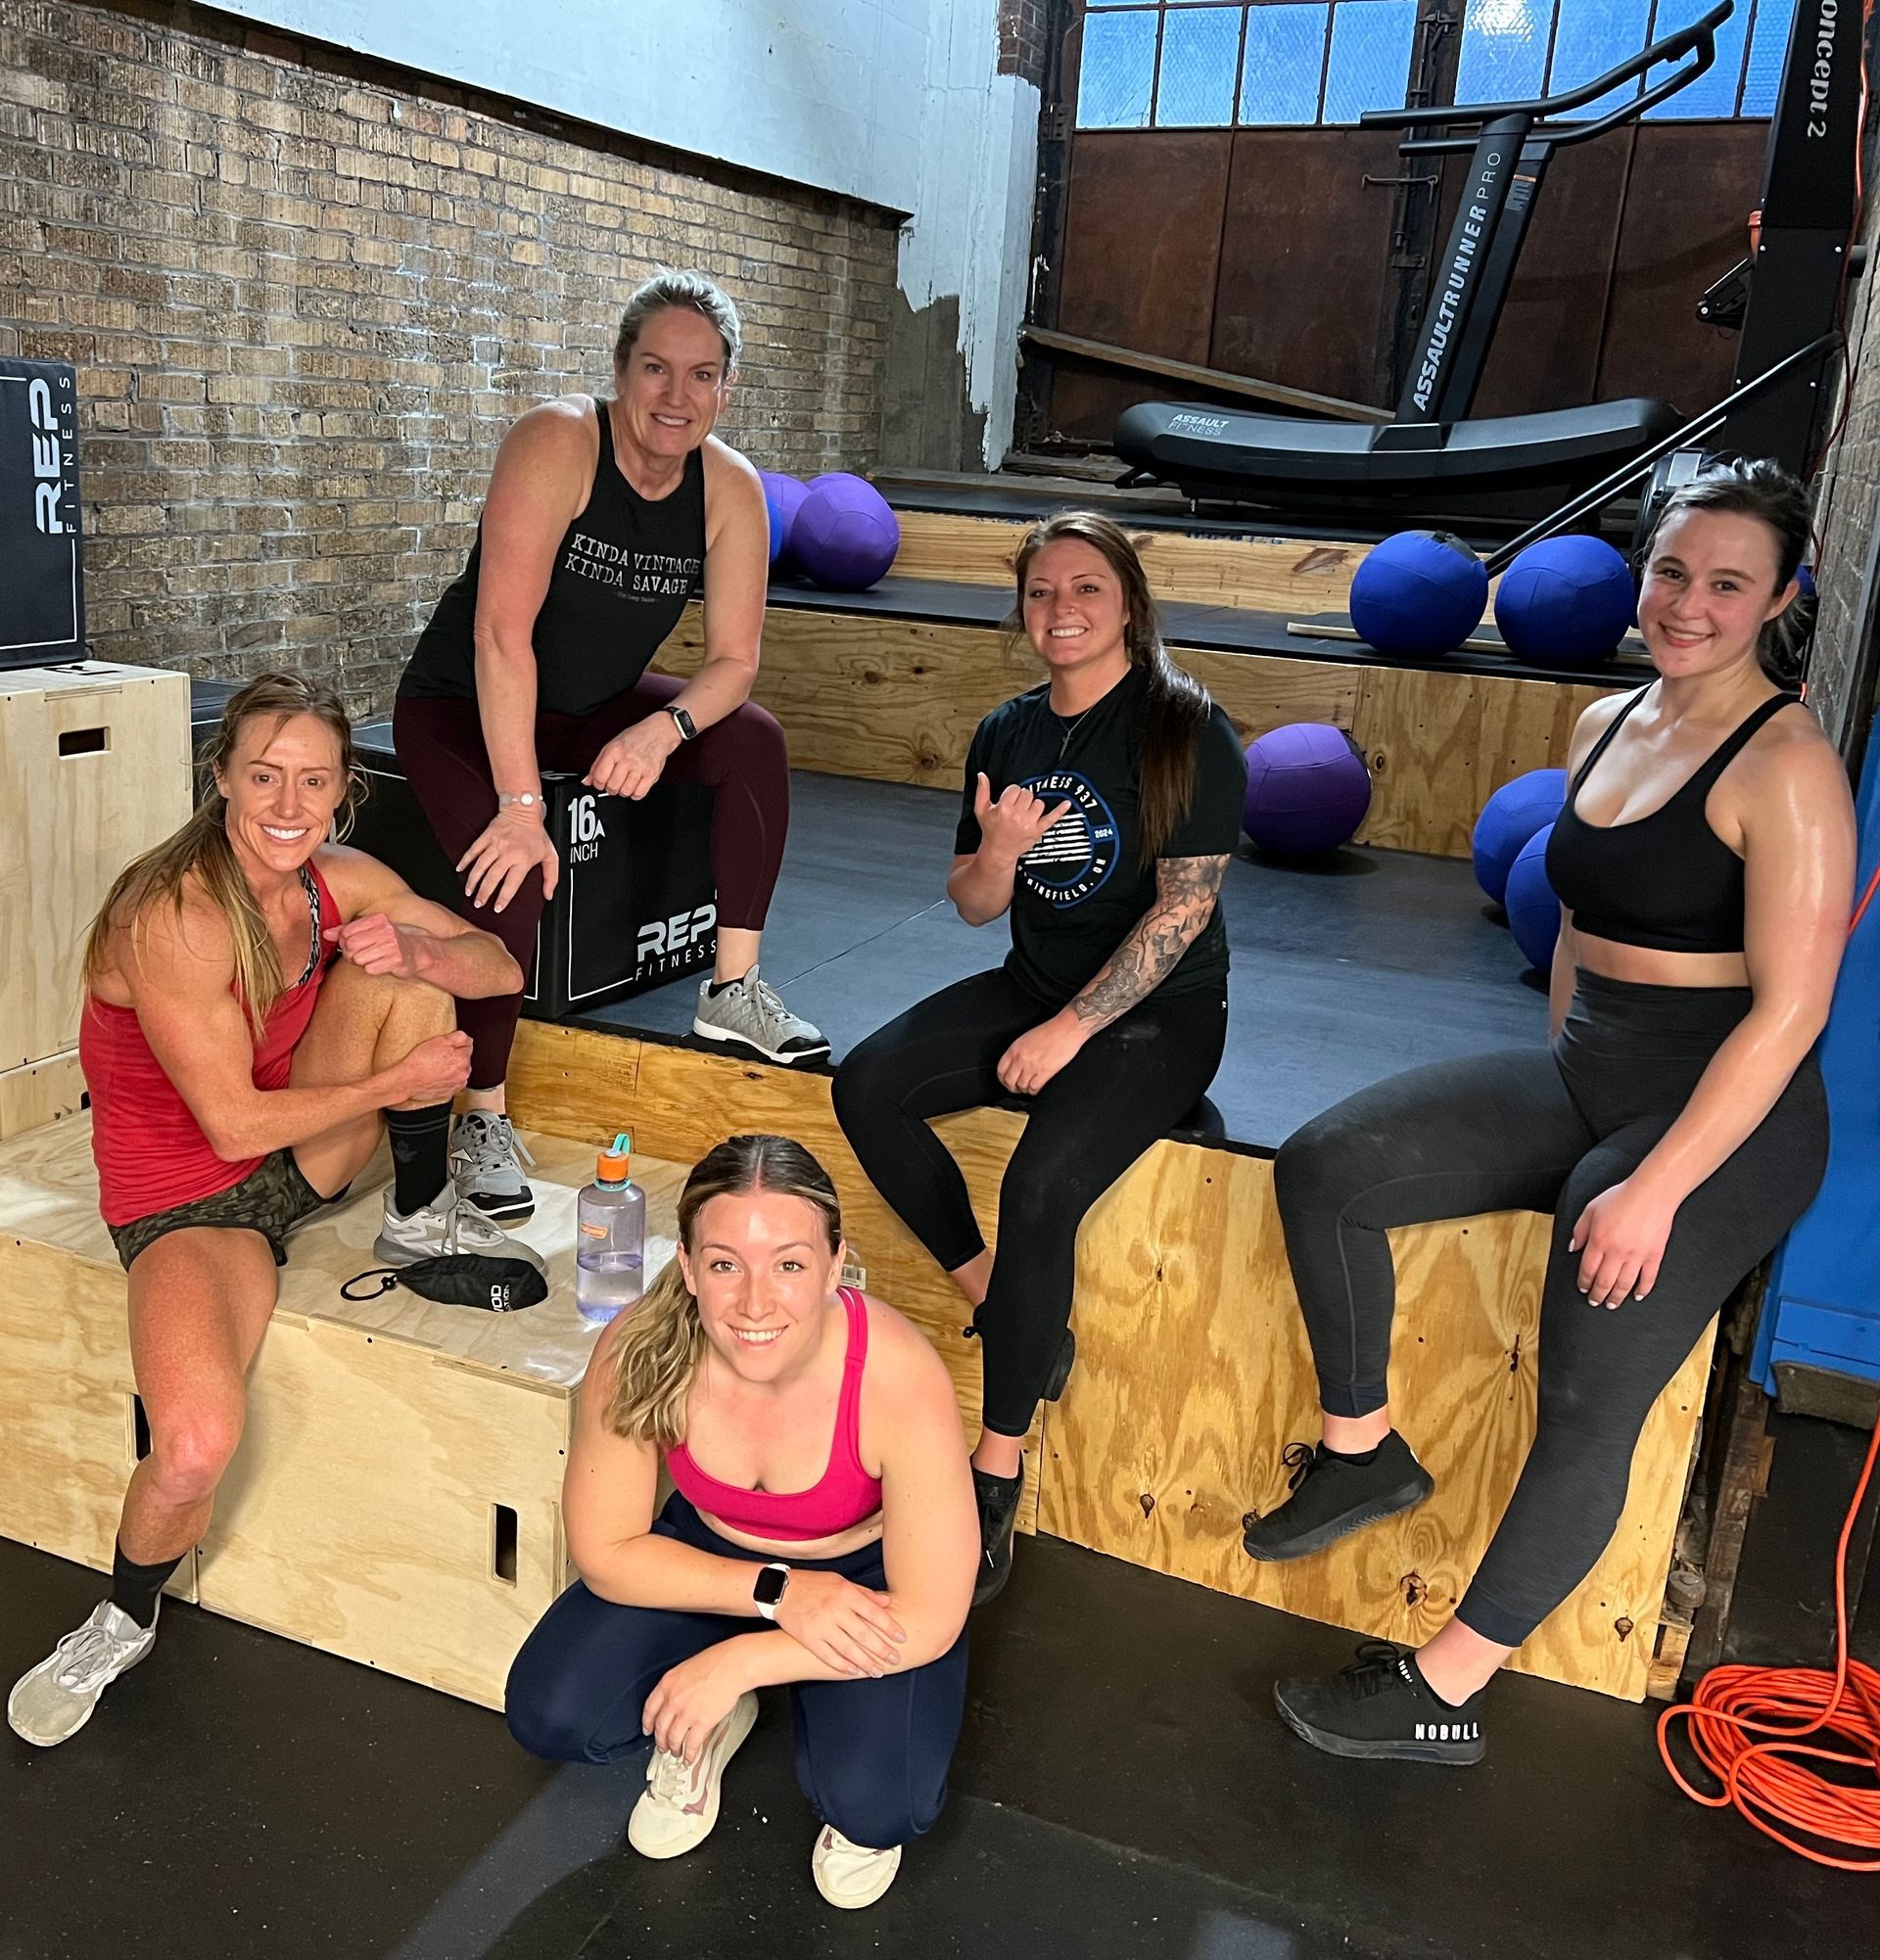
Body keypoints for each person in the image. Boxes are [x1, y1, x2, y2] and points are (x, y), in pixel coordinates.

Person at [1251, 459, 1856, 1763]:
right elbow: (1576, 920)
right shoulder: (1604, 723)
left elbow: (1791, 1013)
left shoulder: (1788, 766)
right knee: (1329, 1163)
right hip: (1595, 1069)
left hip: (1729, 1112)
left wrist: (1656, 1186)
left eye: (1729, 583)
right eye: (1672, 572)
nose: (1689, 603)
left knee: (1588, 1391)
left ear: (1778, 598)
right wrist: (1558, 1072)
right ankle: (1362, 1450)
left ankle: (1444, 1689)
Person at [7, 674, 537, 1750]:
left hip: (304, 1150)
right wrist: (394, 1088)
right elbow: (232, 1124)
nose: (289, 804)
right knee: (193, 1447)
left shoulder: (339, 879)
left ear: (344, 790)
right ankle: (123, 1618)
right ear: (221, 780)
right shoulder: (174, 913)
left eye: (313, 780)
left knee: (416, 984)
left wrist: (421, 952)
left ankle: (418, 1214)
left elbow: (499, 965)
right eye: (264, 777)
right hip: (189, 1200)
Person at [831, 511, 1247, 1605]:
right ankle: (997, 1298)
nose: (1062, 609)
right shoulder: (1006, 732)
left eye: (1086, 588)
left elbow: (1183, 913)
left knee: (1041, 1183)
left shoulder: (1187, 731)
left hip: (1162, 1012)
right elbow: (975, 905)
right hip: (1031, 984)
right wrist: (1004, 852)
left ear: (1128, 604)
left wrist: (1072, 1031)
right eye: (1041, 592)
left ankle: (997, 1468)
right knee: (866, 1084)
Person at [395, 269, 826, 1228]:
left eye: (702, 375)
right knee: (516, 867)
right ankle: (481, 1114)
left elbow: (735, 663)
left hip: (591, 705)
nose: (677, 396)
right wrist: (521, 806)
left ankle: (733, 989)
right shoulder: (557, 442)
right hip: (462, 704)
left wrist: (664, 726)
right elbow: (500, 636)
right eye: (656, 369)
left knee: (752, 741)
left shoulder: (730, 489)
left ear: (727, 389)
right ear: (622, 370)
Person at [504, 1135, 974, 1910]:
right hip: (714, 1553)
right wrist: (781, 1595)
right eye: (725, 1265)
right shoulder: (640, 1350)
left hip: (866, 1578)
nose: (756, 1303)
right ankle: (711, 1729)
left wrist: (738, 1664)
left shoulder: (897, 1375)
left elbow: (930, 1616)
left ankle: (733, 1699)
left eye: (789, 1264)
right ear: (688, 1267)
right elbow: (606, 1550)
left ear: (834, 1264)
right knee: (555, 1712)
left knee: (875, 1804)